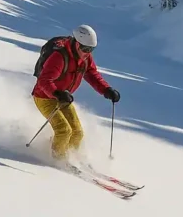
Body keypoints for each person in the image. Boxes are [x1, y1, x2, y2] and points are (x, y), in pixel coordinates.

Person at [31, 24, 119, 164]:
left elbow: (91, 73)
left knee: (77, 132)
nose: (87, 52)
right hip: (45, 97)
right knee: (64, 130)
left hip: (63, 97)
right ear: (77, 44)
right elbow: (44, 80)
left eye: (91, 49)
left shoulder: (85, 57)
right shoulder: (59, 57)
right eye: (85, 49)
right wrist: (56, 93)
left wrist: (106, 90)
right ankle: (58, 160)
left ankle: (71, 158)